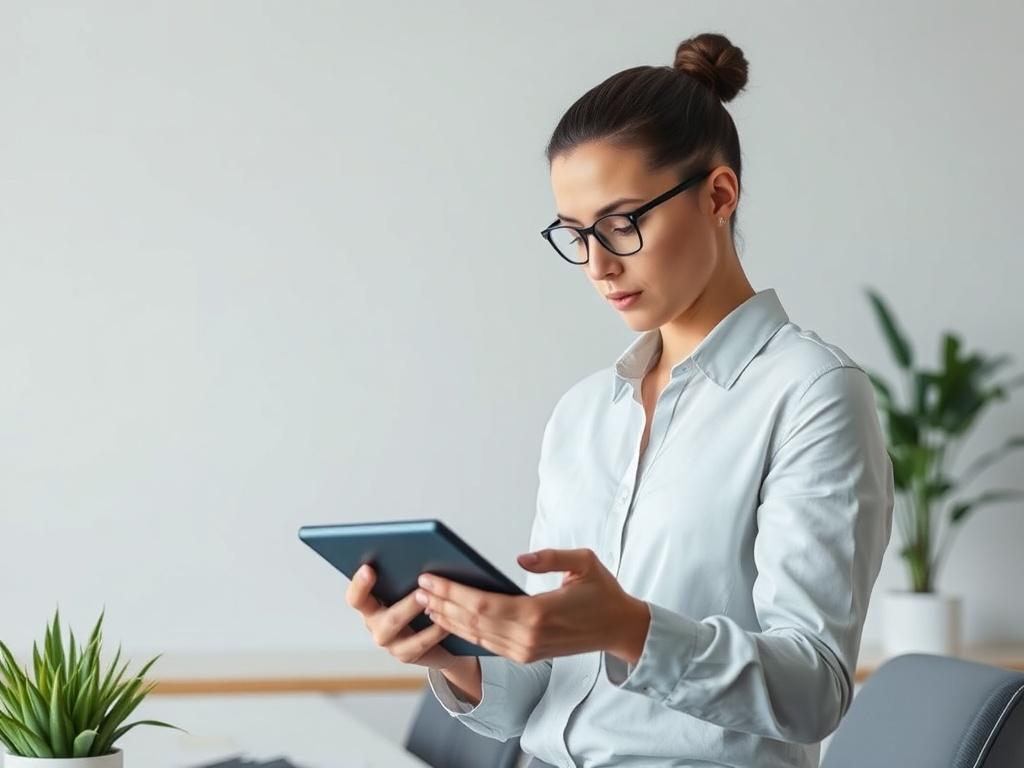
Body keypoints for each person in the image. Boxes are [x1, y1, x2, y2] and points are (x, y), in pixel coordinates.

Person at [345, 30, 894, 768]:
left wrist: (631, 629)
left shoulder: (811, 395)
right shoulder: (584, 415)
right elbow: (542, 697)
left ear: (719, 196)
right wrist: (453, 655)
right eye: (575, 234)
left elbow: (813, 692)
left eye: (622, 223)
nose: (598, 266)